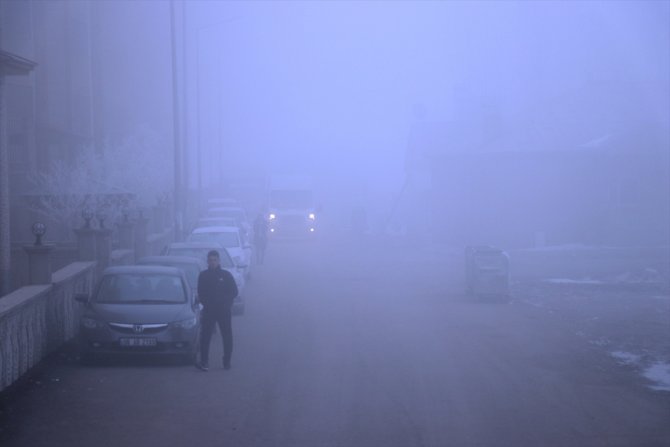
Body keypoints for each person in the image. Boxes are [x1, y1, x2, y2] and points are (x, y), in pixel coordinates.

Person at [196, 250, 238, 371]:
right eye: (210, 260)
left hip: (224, 311)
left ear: (219, 261)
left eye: (214, 260)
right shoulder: (203, 276)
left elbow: (234, 291)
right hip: (209, 311)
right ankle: (204, 362)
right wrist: (207, 303)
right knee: (205, 337)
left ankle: (227, 362)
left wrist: (226, 302)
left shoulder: (226, 275)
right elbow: (201, 293)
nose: (212, 262)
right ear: (207, 262)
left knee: (227, 336)